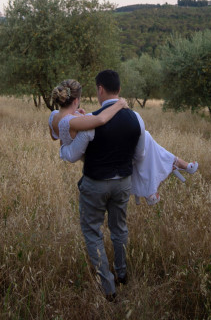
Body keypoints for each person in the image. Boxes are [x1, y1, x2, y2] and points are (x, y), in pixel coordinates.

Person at [58, 70, 143, 301]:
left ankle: (108, 288)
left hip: (95, 184)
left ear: (100, 89)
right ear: (119, 89)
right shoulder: (137, 119)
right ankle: (122, 273)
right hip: (123, 183)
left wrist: (62, 149)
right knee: (120, 228)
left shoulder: (92, 120)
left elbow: (74, 155)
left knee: (92, 232)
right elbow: (139, 153)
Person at [52, 79, 198, 206]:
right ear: (76, 100)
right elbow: (101, 119)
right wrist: (119, 104)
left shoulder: (53, 117)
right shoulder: (73, 121)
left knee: (142, 140)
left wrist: (75, 117)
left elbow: (56, 136)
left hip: (77, 151)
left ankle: (166, 172)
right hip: (83, 156)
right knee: (141, 140)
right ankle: (166, 171)